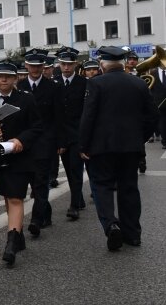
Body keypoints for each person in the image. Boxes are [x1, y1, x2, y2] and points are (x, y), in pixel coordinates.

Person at [79, 46, 158, 250]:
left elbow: (88, 117)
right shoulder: (139, 83)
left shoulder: (95, 84)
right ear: (123, 64)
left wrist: (83, 145)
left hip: (101, 147)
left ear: (102, 65)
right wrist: (140, 138)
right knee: (129, 189)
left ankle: (111, 224)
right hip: (131, 147)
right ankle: (133, 235)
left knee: (102, 186)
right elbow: (152, 116)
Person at [0, 61, 42, 266]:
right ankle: (17, 234)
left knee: (16, 197)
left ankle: (10, 243)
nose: (3, 80)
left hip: (20, 157)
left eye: (8, 76)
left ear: (15, 78)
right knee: (8, 196)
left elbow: (37, 127)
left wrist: (21, 140)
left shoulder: (26, 99)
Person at [18, 49, 65, 238]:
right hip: (24, 142)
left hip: (45, 142)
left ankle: (36, 220)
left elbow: (59, 116)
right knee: (32, 181)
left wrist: (61, 142)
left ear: (43, 67)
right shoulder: (19, 86)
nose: (36, 69)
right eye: (32, 66)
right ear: (27, 66)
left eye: (39, 66)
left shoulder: (53, 87)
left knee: (40, 183)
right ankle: (45, 211)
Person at [55, 46, 87, 220]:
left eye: (69, 64)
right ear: (59, 64)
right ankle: (78, 196)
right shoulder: (55, 82)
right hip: (61, 134)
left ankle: (74, 205)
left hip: (77, 133)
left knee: (75, 169)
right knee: (68, 168)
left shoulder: (83, 83)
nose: (66, 67)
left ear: (75, 64)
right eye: (63, 64)